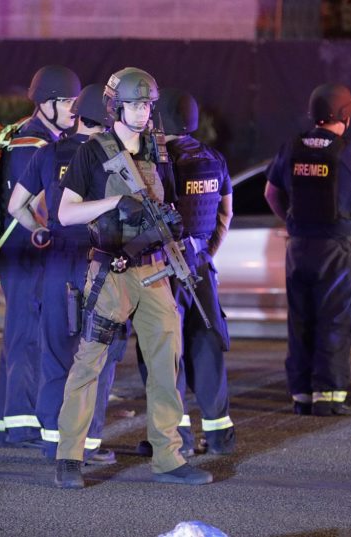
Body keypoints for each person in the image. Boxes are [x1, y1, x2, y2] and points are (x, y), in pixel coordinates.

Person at [53, 67, 213, 488]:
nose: (142, 113)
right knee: (89, 364)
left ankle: (169, 457)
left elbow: (170, 203)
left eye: (147, 105)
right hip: (111, 273)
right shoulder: (92, 152)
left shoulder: (159, 151)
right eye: (135, 105)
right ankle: (69, 457)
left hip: (156, 271)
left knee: (166, 365)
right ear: (115, 106)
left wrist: (174, 226)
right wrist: (115, 205)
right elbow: (66, 213)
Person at [10, 83, 127, 464]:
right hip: (100, 261)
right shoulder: (113, 155)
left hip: (59, 261)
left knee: (56, 353)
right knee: (98, 355)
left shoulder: (48, 153)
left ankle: (52, 440)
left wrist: (40, 229)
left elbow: (16, 206)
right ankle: (88, 443)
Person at [264, 83, 351, 416]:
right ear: (346, 112)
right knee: (335, 319)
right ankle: (328, 396)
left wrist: (291, 220)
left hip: (298, 246)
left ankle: (300, 394)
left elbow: (271, 192)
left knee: (300, 320)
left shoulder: (292, 146)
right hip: (335, 248)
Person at [136, 88, 235, 454]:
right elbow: (225, 214)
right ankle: (219, 436)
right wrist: (207, 252)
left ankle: (176, 439)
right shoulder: (215, 159)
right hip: (201, 268)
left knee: (163, 352)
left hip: (163, 270)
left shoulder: (156, 161)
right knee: (207, 346)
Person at [0, 65, 80, 448]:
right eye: (69, 102)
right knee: (28, 336)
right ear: (47, 103)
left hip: (20, 251)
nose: (75, 109)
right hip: (27, 251)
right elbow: (34, 205)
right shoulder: (36, 145)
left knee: (19, 334)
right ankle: (22, 424)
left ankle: (2, 419)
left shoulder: (25, 137)